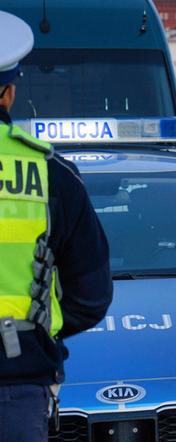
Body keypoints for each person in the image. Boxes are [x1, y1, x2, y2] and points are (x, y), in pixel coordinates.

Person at [0, 12, 113, 441]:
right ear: (8, 94)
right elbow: (92, 295)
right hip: (17, 383)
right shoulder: (51, 174)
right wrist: (34, 328)